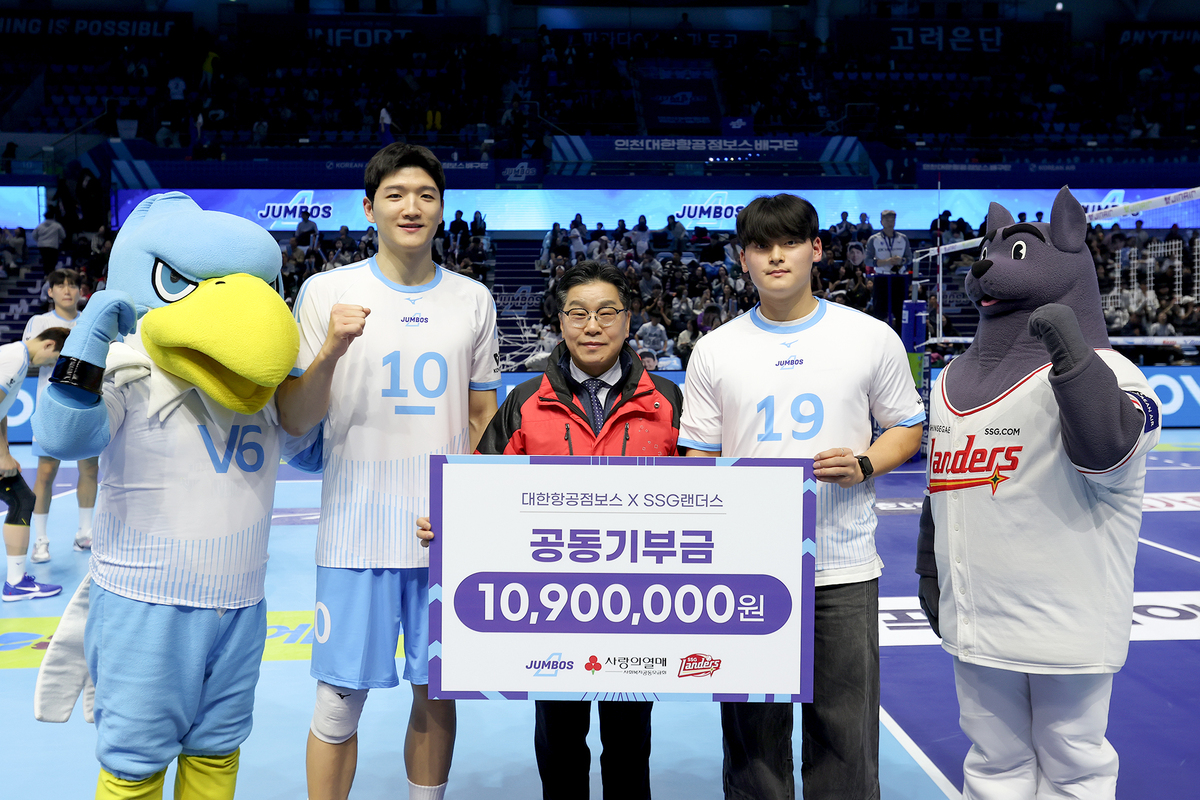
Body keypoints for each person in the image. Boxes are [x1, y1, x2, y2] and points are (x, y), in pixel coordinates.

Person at [677, 193, 924, 800]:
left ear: (816, 249)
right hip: (749, 569)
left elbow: (907, 426)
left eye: (789, 242)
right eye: (761, 246)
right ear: (742, 259)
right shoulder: (715, 348)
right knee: (752, 742)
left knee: (844, 737)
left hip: (842, 566)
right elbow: (699, 458)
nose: (776, 256)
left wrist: (865, 463)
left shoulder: (869, 337)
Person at [277, 143, 500, 800]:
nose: (412, 207)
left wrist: (466, 503)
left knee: (437, 693)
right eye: (396, 195)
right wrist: (329, 350)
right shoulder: (326, 292)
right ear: (369, 208)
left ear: (442, 209)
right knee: (337, 704)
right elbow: (295, 419)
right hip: (355, 535)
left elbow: (483, 414)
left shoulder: (473, 299)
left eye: (426, 195)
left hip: (443, 537)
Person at [427, 260, 683, 800]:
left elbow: (710, 492)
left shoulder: (668, 400)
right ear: (561, 322)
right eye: (578, 313)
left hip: (638, 606)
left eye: (607, 313)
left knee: (629, 741)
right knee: (559, 740)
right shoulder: (525, 400)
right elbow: (484, 483)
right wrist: (453, 520)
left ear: (628, 319)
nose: (593, 326)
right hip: (551, 606)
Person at [23, 269, 97, 563]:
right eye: (61, 285)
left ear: (81, 291)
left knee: (90, 470)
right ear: (50, 291)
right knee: (45, 474)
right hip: (50, 411)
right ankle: (40, 540)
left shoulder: (91, 321)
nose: (67, 290)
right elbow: (34, 358)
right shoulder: (39, 322)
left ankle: (84, 533)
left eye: (73, 285)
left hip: (86, 408)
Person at [1, 328, 69, 601]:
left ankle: (16, 582)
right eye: (54, 359)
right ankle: (15, 584)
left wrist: (5, 452)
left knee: (21, 499)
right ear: (49, 344)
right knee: (21, 499)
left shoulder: (16, 357)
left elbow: (1, 411)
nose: (50, 365)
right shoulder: (15, 360)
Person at [864, 209, 912, 330]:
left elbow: (909, 259)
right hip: (882, 278)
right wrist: (885, 262)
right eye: (887, 220)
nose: (890, 223)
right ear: (881, 222)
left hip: (899, 278)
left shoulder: (903, 238)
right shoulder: (874, 239)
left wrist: (902, 260)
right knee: (879, 312)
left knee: (900, 312)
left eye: (892, 220)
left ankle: (900, 338)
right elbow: (867, 260)